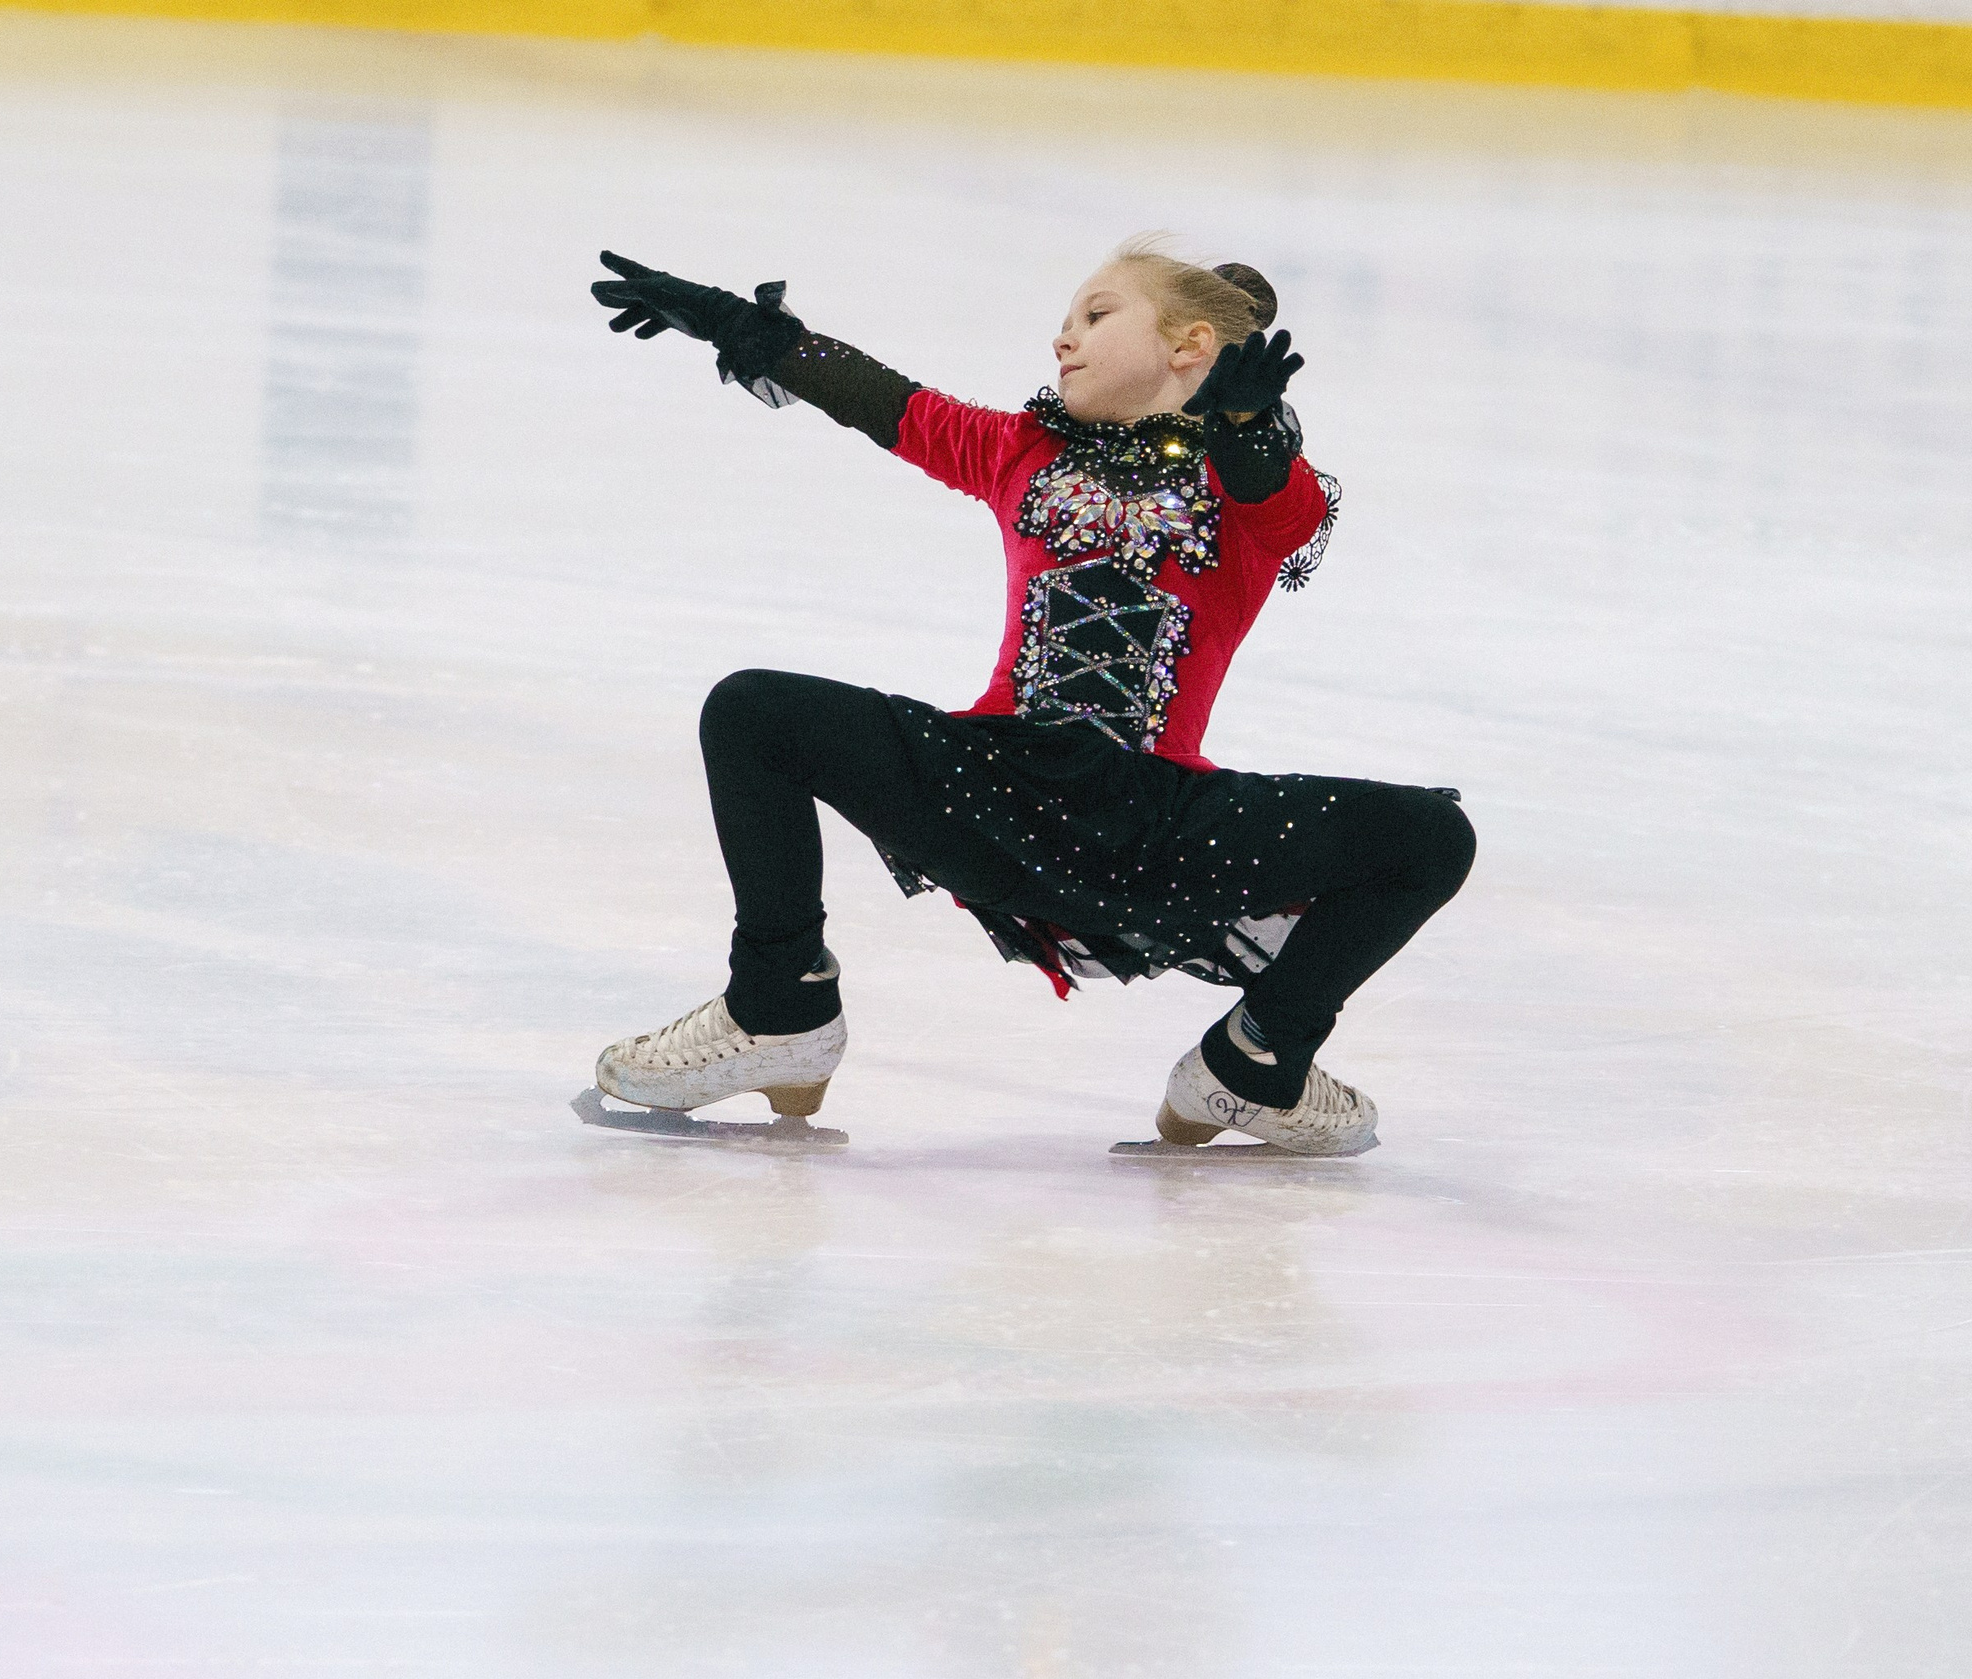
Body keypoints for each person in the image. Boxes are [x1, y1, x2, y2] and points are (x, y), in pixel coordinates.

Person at [586, 238, 1473, 1155]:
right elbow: (886, 403)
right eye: (1063, 323)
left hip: (1157, 828)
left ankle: (1256, 1061)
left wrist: (1248, 428)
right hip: (993, 789)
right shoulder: (1021, 449)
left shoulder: (1248, 490)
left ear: (1189, 346)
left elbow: (1279, 505)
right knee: (753, 710)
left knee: (1431, 836)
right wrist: (742, 329)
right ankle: (779, 1006)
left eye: (1096, 316)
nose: (1063, 340)